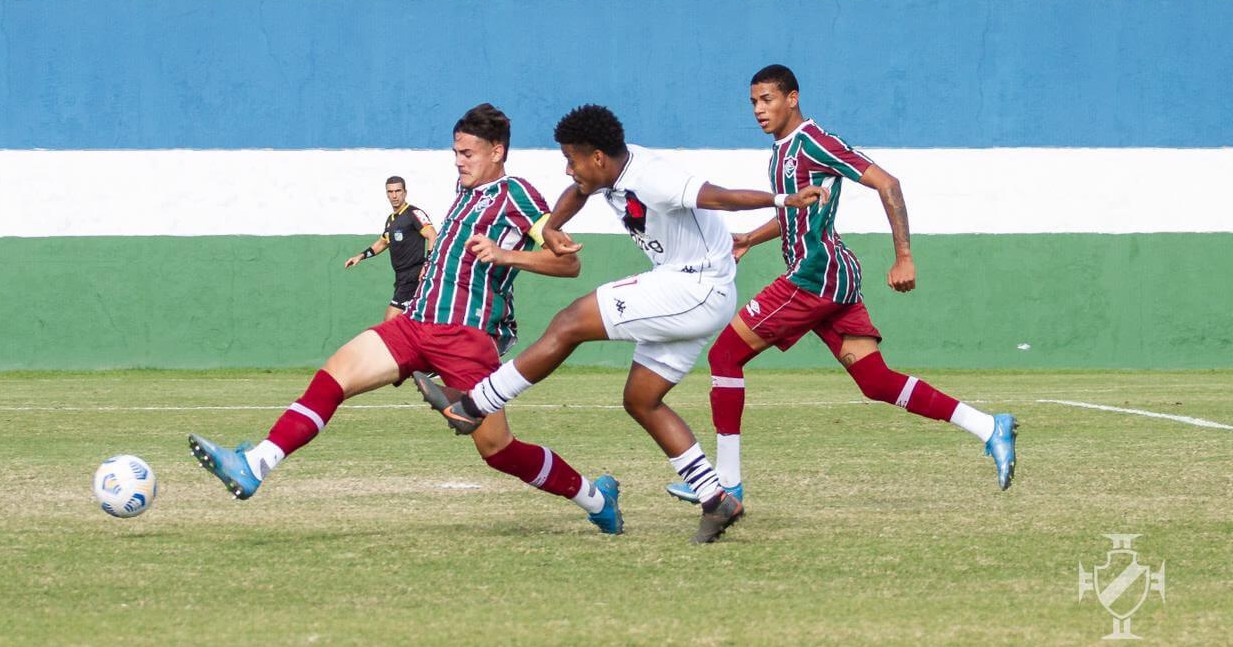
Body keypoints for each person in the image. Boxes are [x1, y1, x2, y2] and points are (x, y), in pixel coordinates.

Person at [188, 104, 626, 536]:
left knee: (498, 451)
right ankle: (255, 464)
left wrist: (504, 255)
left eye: (468, 153)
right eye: (455, 153)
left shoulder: (517, 195)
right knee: (333, 377)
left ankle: (596, 499)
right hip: (414, 324)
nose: (459, 161)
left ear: (497, 151)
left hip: (465, 336)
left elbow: (567, 263)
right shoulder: (464, 190)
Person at [414, 104, 828, 544]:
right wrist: (553, 226)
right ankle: (716, 499)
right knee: (641, 399)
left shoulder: (654, 177)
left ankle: (475, 405)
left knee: (570, 322)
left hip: (695, 288)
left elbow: (718, 196)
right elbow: (578, 191)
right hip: (690, 289)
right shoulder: (605, 171)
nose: (567, 168)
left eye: (571, 159)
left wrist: (783, 200)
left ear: (596, 157)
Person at [665, 64, 1018, 509]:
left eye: (767, 99)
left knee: (725, 356)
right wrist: (751, 238)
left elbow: (887, 183)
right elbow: (797, 211)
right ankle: (989, 426)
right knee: (875, 381)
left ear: (792, 98)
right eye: (753, 102)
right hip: (833, 279)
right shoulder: (781, 151)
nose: (758, 109)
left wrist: (904, 256)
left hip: (814, 277)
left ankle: (726, 485)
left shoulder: (814, 141)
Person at [344, 176, 438, 322]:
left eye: (398, 191)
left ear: (405, 192)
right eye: (390, 192)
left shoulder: (414, 213)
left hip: (413, 276)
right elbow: (382, 243)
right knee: (407, 322)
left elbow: (432, 236)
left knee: (390, 321)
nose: (394, 195)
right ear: (387, 194)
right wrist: (360, 256)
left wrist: (427, 265)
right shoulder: (391, 220)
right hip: (400, 278)